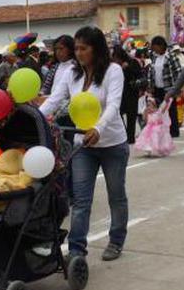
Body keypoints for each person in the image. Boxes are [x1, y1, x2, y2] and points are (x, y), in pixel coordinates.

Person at [41, 26, 128, 261]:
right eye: (76, 48)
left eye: (83, 48)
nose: (78, 53)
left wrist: (99, 128)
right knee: (80, 200)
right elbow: (55, 99)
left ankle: (117, 240)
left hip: (112, 144)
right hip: (83, 147)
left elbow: (113, 104)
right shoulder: (72, 73)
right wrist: (37, 119)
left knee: (116, 195)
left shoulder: (113, 71)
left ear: (96, 49)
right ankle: (77, 249)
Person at [147, 36, 182, 138]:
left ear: (161, 45)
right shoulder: (154, 56)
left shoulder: (171, 56)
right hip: (157, 88)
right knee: (158, 110)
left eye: (155, 47)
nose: (154, 49)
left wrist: (177, 88)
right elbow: (151, 72)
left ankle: (174, 131)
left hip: (169, 88)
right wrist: (150, 86)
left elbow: (179, 73)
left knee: (171, 110)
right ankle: (161, 129)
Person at [112, 46, 143, 144]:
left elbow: (139, 76)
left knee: (131, 117)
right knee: (118, 114)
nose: (116, 60)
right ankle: (123, 135)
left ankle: (130, 138)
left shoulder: (133, 63)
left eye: (117, 58)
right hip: (119, 94)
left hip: (131, 93)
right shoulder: (113, 66)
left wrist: (128, 68)